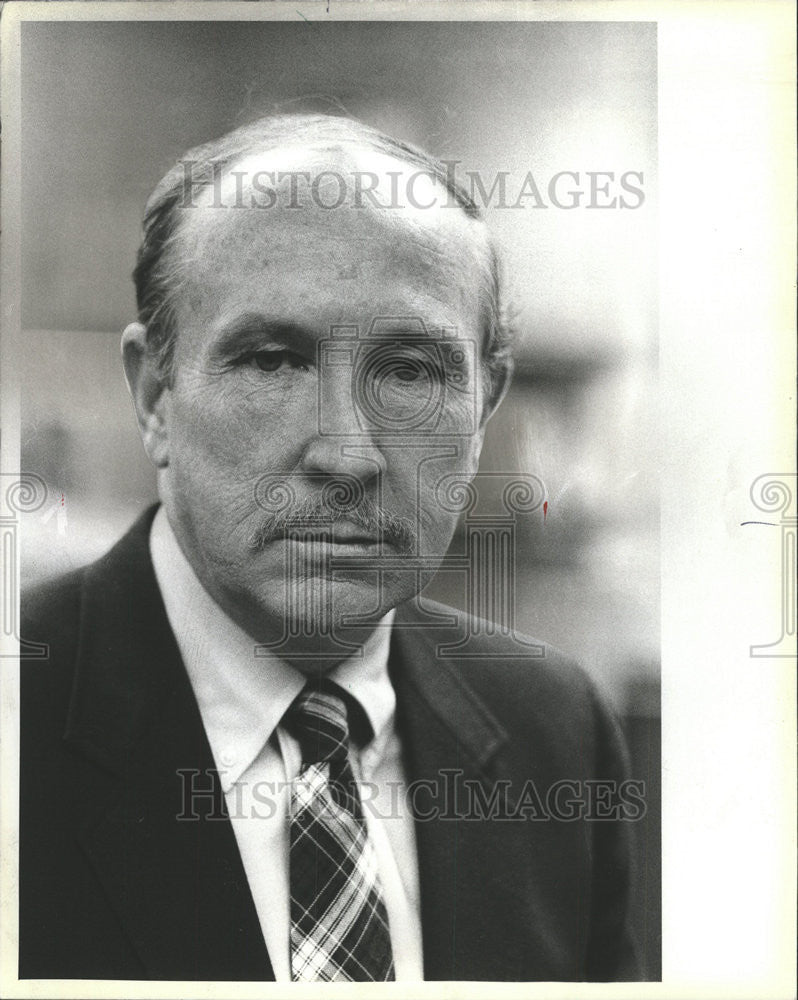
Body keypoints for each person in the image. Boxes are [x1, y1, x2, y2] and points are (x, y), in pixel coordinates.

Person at [19, 114, 641, 982]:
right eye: (274, 361)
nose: (348, 454)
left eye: (411, 371)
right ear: (155, 394)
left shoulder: (556, 731)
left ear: (486, 407)